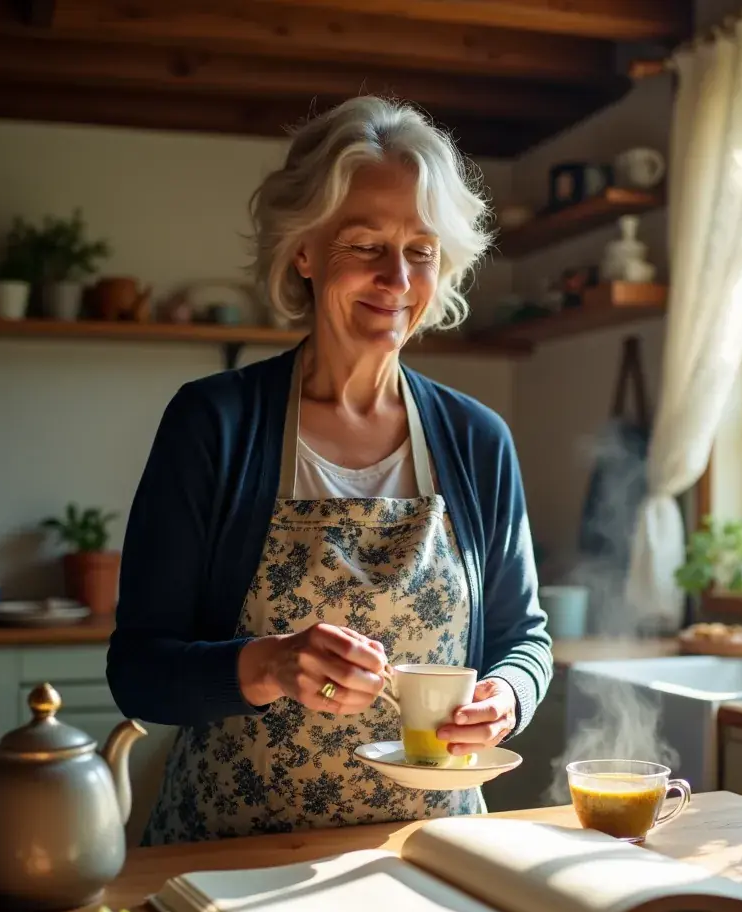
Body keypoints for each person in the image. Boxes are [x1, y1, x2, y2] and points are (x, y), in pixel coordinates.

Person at [107, 96, 552, 844]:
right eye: (365, 245)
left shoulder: (479, 441)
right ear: (304, 251)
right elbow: (138, 670)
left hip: (433, 851)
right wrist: (270, 667)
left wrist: (507, 694)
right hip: (233, 852)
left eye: (420, 249)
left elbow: (525, 637)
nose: (398, 280)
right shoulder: (213, 424)